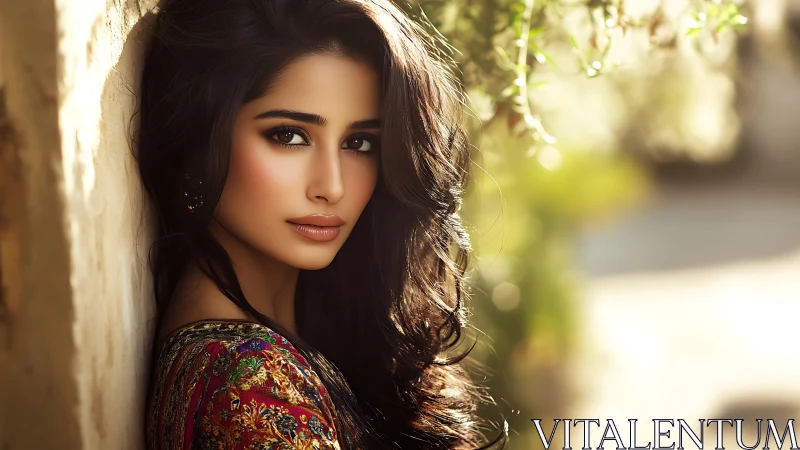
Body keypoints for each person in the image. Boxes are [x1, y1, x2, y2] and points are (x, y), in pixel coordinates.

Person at [137, 0, 507, 448]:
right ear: (199, 142)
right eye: (288, 136)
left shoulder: (303, 337)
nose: (331, 187)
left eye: (359, 142)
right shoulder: (250, 384)